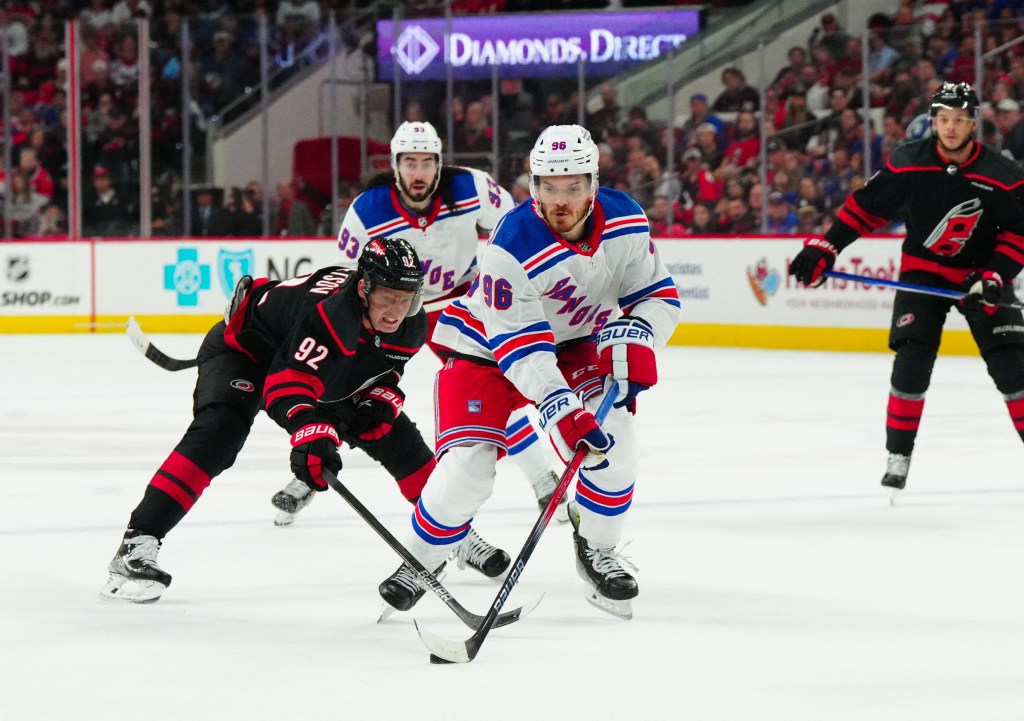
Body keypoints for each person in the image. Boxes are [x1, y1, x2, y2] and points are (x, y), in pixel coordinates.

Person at [377, 124, 681, 619]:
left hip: (576, 343)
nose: (561, 200)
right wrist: (560, 408)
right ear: (534, 186)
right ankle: (420, 560)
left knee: (616, 439)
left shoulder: (627, 219)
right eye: (549, 187)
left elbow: (654, 294)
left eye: (573, 187)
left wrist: (641, 333)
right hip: (487, 348)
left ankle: (597, 549)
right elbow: (520, 346)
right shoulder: (510, 244)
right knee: (469, 468)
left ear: (594, 184)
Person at [100, 238, 508, 603]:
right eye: (387, 298)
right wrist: (312, 433)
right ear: (364, 289)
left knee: (394, 436)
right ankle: (137, 542)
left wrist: (380, 400)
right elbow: (285, 385)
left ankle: (448, 532)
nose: (396, 311)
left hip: (317, 361)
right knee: (219, 433)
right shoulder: (331, 316)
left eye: (406, 298)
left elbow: (383, 372)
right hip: (248, 351)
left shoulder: (410, 322)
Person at [270, 121, 562, 526]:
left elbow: (518, 228)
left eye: (427, 162)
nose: (420, 172)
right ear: (395, 165)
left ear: (440, 164)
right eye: (410, 162)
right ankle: (309, 468)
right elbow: (347, 279)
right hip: (393, 311)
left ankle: (543, 482)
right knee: (339, 382)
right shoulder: (368, 208)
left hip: (464, 303)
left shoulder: (471, 187)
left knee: (492, 383)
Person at [789, 81, 1024, 495]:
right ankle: (898, 457)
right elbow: (866, 208)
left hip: (981, 276)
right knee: (911, 362)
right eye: (943, 119)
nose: (950, 128)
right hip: (925, 273)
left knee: (1013, 367)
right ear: (933, 121)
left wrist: (995, 275)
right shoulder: (908, 162)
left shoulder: (1002, 174)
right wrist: (827, 245)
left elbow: (1019, 233)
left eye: (959, 120)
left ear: (973, 123)